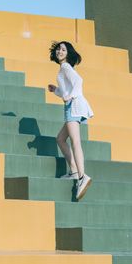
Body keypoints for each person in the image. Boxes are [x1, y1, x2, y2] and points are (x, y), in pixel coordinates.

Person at [48, 40, 94, 200]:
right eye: (58, 49)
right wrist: (57, 91)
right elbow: (68, 89)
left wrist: (69, 96)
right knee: (60, 139)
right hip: (73, 106)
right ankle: (74, 171)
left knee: (75, 142)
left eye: (63, 50)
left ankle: (82, 177)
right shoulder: (64, 68)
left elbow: (78, 82)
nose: (59, 52)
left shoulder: (66, 67)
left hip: (73, 106)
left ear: (68, 54)